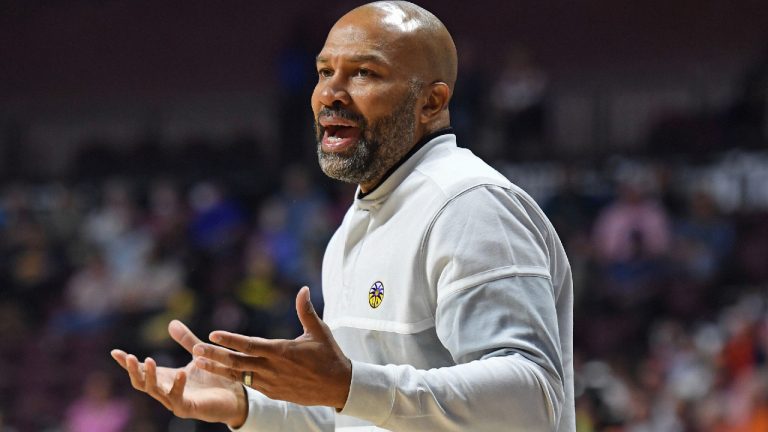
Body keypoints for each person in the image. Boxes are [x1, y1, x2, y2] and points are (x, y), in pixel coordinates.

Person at [111, 2, 575, 431]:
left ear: (431, 103)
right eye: (324, 71)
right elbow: (354, 413)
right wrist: (250, 404)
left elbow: (530, 399)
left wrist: (348, 385)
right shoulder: (358, 223)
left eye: (364, 73)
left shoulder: (468, 204)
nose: (330, 93)